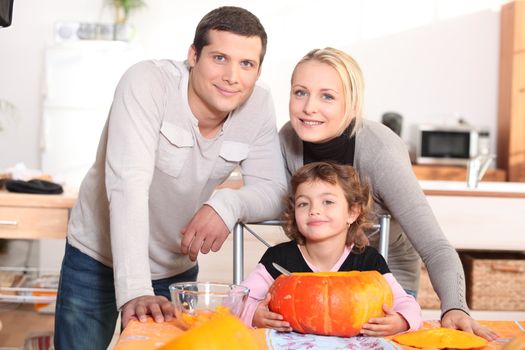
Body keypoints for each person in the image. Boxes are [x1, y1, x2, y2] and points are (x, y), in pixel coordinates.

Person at [53, 6, 287, 350]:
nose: (232, 76)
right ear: (193, 55)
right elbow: (127, 184)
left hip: (174, 271)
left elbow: (275, 189)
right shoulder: (147, 83)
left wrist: (227, 204)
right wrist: (135, 289)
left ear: (258, 69)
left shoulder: (259, 104)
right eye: (219, 57)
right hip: (96, 259)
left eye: (246, 64)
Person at [278, 47, 497, 340]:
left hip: (384, 284)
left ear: (353, 104)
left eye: (327, 96)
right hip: (316, 282)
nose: (308, 107)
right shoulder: (287, 139)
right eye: (300, 92)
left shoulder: (380, 152)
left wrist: (455, 308)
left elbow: (435, 247)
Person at [240, 162, 422, 336]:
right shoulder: (278, 258)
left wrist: (400, 321)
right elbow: (238, 300)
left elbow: (406, 304)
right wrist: (254, 314)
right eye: (303, 203)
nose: (314, 210)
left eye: (327, 201)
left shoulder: (369, 261)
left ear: (352, 212)